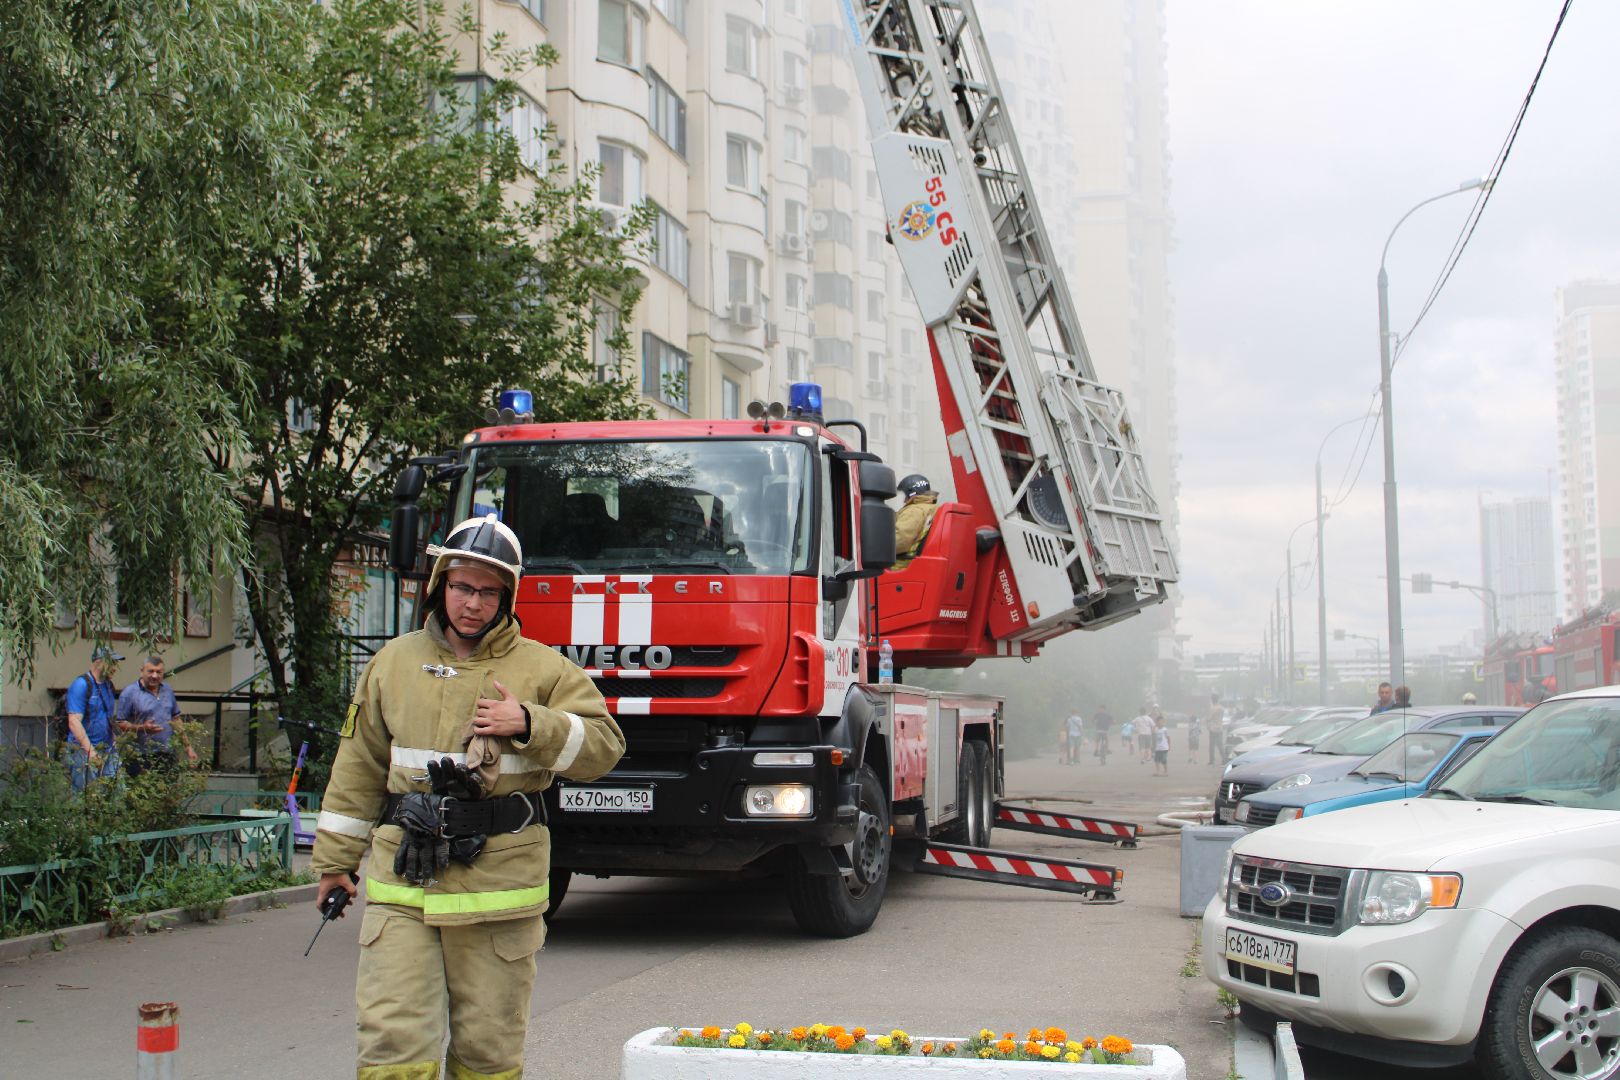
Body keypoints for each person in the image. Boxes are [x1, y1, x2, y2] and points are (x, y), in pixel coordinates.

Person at [310, 514, 626, 1080]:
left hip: (499, 891)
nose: (472, 604)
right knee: (392, 1045)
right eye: (462, 587)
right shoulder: (393, 663)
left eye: (487, 591)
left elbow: (604, 748)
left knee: (488, 1054)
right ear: (441, 586)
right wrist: (335, 863)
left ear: (507, 597)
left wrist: (530, 721)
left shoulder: (543, 667)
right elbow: (358, 766)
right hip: (405, 879)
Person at [116, 655, 195, 778]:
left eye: (159, 672)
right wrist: (142, 728)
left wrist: (188, 748)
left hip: (168, 753)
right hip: (140, 756)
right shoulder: (129, 693)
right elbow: (120, 723)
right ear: (141, 671)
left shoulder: (167, 690)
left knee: (168, 793)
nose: (155, 676)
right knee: (143, 794)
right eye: (150, 671)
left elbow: (176, 719)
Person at [64, 646, 123, 791]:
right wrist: (90, 751)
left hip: (108, 749)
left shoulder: (108, 685)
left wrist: (115, 743)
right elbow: (74, 721)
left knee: (116, 792)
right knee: (85, 795)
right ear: (99, 662)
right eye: (112, 663)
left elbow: (107, 717)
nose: (115, 667)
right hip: (83, 750)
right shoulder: (81, 684)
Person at [892, 474, 940, 569]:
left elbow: (899, 541)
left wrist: (875, 548)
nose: (905, 500)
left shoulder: (914, 511)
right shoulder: (932, 508)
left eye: (905, 495)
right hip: (917, 564)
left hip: (900, 565)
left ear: (912, 493)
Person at [1205, 696, 1225, 765]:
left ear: (1212, 700)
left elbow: (1208, 718)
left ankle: (1212, 760)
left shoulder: (1213, 708)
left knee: (1212, 746)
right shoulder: (1222, 708)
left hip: (1213, 729)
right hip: (1220, 728)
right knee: (1220, 745)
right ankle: (1224, 759)